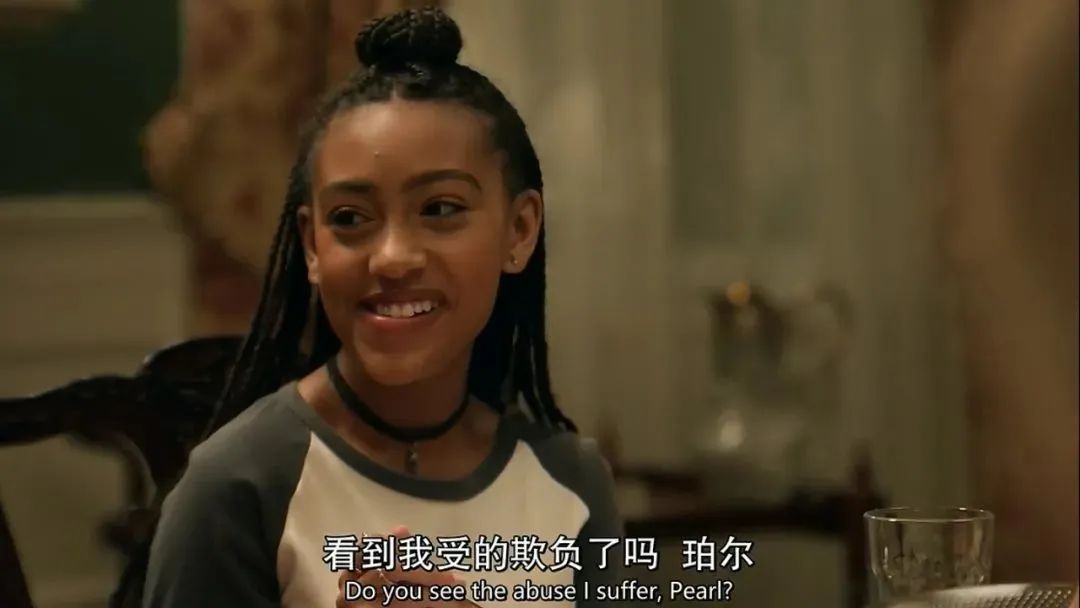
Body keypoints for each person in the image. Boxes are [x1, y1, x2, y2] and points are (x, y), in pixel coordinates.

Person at [141, 7, 624, 608]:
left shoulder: (570, 482)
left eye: (440, 209)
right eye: (350, 218)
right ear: (312, 246)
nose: (392, 258)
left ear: (519, 230)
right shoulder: (239, 488)